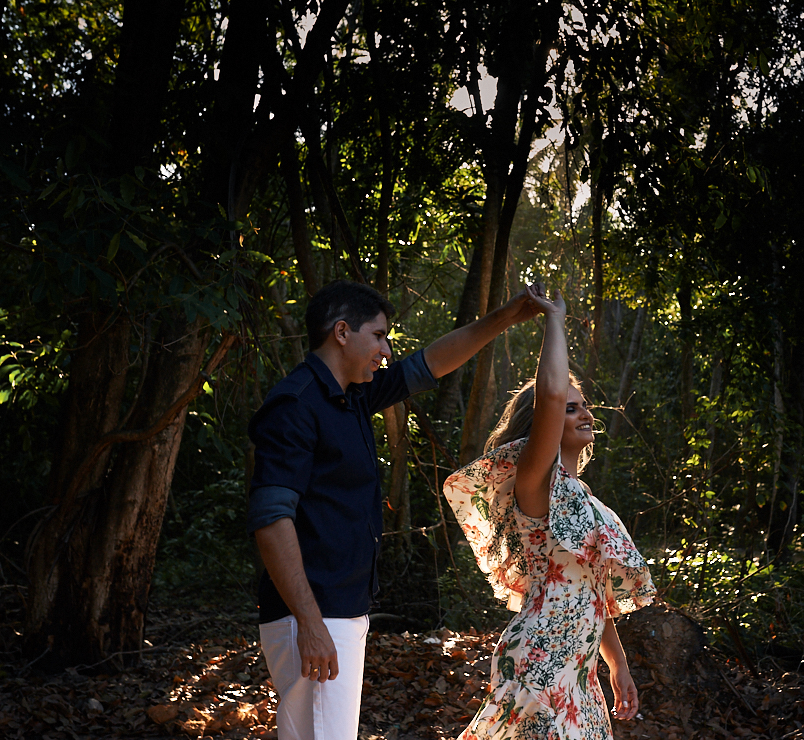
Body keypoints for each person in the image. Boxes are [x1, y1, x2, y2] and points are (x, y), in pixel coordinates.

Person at [247, 279, 542, 740]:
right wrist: (309, 621)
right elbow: (270, 520)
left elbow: (430, 364)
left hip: (341, 609)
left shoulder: (354, 395)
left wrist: (507, 316)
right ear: (341, 332)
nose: (385, 350)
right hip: (314, 611)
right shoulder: (296, 405)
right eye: (379, 336)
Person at [444, 285, 655, 740]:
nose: (584, 413)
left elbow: (591, 590)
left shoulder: (589, 503)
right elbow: (551, 395)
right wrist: (555, 320)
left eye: (586, 406)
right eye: (571, 407)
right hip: (540, 657)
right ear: (542, 421)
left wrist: (617, 665)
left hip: (579, 669)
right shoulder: (537, 481)